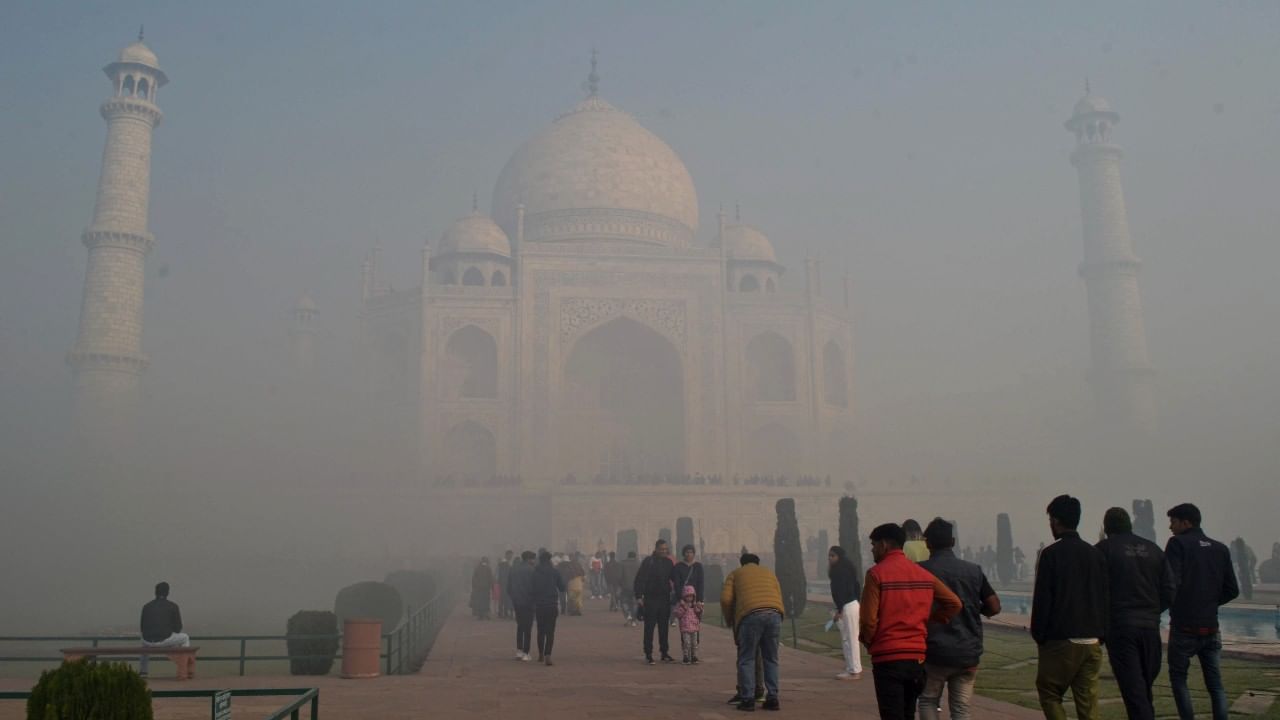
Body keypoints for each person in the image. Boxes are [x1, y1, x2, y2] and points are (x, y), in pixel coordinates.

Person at [860, 523, 962, 720]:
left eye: (873, 545)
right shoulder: (923, 574)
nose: (872, 549)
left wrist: (869, 641)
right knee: (908, 713)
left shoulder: (876, 574)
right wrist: (927, 620)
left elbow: (868, 621)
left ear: (884, 544)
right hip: (916, 656)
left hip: (888, 655)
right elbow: (954, 603)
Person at [1031, 495, 1109, 720]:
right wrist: (1103, 633)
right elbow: (1105, 596)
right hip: (1092, 639)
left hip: (1061, 640)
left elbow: (1043, 599)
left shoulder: (1051, 554)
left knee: (1050, 692)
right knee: (1087, 701)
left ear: (1055, 521)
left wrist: (1040, 635)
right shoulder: (1096, 554)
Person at [917, 518, 1001, 720]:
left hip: (933, 650)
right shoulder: (973, 570)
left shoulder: (920, 571)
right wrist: (973, 608)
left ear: (927, 543)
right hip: (967, 650)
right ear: (953, 542)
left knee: (928, 700)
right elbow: (995, 606)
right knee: (961, 709)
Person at [1165, 503, 1239, 719]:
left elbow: (1172, 583)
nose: (1170, 527)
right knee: (1215, 685)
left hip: (1184, 626)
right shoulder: (1220, 548)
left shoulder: (1177, 544)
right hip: (1211, 626)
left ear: (1186, 522)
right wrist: (1208, 602)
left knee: (1179, 680)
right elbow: (1232, 590)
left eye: (1173, 522)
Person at [720, 552, 785, 712]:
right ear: (758, 563)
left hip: (751, 615)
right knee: (771, 658)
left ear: (742, 564)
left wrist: (730, 621)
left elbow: (726, 599)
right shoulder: (769, 573)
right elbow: (778, 594)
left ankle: (748, 699)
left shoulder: (736, 574)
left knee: (746, 658)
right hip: (774, 613)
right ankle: (772, 698)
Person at [635, 539, 677, 663]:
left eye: (666, 549)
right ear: (656, 549)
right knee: (649, 627)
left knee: (664, 627)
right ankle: (648, 653)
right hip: (650, 598)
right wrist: (639, 597)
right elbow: (640, 580)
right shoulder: (648, 562)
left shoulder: (669, 563)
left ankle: (664, 652)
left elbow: (674, 578)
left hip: (664, 598)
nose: (664, 551)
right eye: (662, 549)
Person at [827, 545, 863, 680]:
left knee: (850, 638)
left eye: (833, 555)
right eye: (829, 556)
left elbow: (842, 591)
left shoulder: (840, 571)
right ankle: (852, 667)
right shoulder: (846, 570)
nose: (830, 559)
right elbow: (856, 586)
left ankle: (853, 670)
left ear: (839, 557)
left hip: (847, 606)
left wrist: (840, 610)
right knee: (848, 638)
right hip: (851, 604)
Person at [139, 582, 190, 677]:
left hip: (147, 641)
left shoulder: (146, 606)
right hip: (164, 640)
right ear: (168, 592)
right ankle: (184, 667)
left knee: (144, 642)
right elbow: (178, 628)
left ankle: (143, 671)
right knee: (185, 637)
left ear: (155, 592)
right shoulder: (173, 606)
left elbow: (142, 628)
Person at [531, 550, 566, 666]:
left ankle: (540, 654)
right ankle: (548, 655)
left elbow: (531, 589)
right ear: (549, 560)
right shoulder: (555, 572)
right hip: (552, 604)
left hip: (540, 605)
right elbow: (562, 587)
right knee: (550, 631)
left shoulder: (535, 572)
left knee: (540, 630)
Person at [507, 550, 537, 661]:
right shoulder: (532, 570)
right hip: (529, 602)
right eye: (533, 559)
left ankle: (519, 651)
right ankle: (526, 652)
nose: (534, 561)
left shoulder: (513, 569)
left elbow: (508, 588)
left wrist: (515, 598)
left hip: (517, 602)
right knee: (528, 627)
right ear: (529, 559)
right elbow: (535, 587)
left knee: (520, 626)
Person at [672, 585, 704, 664]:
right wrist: (684, 607)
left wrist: (700, 609)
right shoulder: (681, 605)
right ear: (684, 596)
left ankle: (694, 656)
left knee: (694, 643)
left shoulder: (695, 605)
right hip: (685, 628)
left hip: (694, 628)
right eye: (688, 596)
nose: (690, 598)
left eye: (691, 596)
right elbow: (677, 614)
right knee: (687, 643)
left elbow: (699, 615)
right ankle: (686, 656)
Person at [618, 550, 640, 626]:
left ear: (628, 556)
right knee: (635, 603)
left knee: (624, 602)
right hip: (636, 587)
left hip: (625, 587)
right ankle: (634, 620)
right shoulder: (638, 564)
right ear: (635, 556)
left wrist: (620, 584)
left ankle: (628, 615)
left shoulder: (622, 563)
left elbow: (619, 576)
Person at [497, 550, 514, 619]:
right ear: (507, 555)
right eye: (510, 555)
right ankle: (502, 612)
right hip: (504, 582)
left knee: (505, 598)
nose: (511, 556)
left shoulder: (506, 562)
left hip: (505, 582)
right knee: (503, 598)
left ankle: (504, 612)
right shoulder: (504, 563)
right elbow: (503, 574)